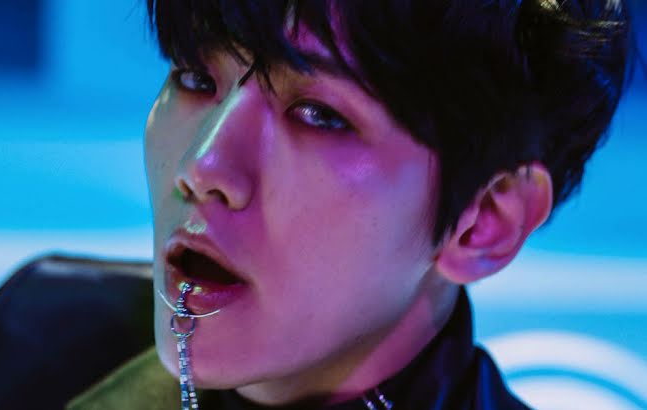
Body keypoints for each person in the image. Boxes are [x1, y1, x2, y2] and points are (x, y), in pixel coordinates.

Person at [68, 0, 635, 408]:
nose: (202, 167)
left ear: (484, 222)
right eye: (195, 77)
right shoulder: (40, 342)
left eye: (320, 116)